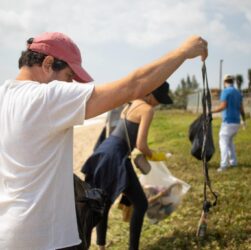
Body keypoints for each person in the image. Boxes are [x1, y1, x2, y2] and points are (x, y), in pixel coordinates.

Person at [0, 31, 207, 250]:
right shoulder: (46, 97)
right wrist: (183, 52)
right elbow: (133, 85)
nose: (70, 84)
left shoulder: (4, 96)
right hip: (46, 238)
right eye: (70, 76)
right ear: (48, 63)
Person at [82, 81, 172, 250]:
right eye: (159, 99)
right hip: (116, 156)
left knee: (104, 202)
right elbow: (141, 144)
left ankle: (100, 246)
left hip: (103, 151)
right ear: (152, 95)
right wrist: (156, 156)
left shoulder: (131, 103)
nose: (159, 103)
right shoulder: (147, 109)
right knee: (141, 204)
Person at [211, 75, 245, 172]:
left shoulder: (225, 91)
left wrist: (211, 111)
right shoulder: (238, 93)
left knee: (223, 142)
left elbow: (223, 106)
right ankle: (233, 162)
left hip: (228, 122)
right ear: (233, 81)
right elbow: (241, 109)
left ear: (224, 82)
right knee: (229, 142)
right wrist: (244, 120)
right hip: (236, 122)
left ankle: (224, 165)